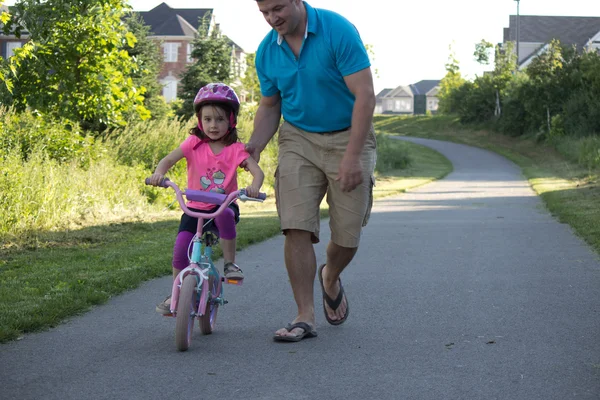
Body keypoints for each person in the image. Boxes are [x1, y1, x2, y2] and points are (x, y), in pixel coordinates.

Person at [246, 0, 377, 341]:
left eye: (278, 8)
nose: (272, 18)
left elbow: (364, 95)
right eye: (264, 12)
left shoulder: (337, 31)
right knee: (295, 225)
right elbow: (270, 105)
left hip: (349, 134)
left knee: (347, 235)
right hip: (298, 139)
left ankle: (330, 275)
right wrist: (255, 146)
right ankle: (304, 315)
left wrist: (351, 155)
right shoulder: (267, 51)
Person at [148, 82, 265, 315]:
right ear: (200, 120)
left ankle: (230, 263)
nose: (213, 125)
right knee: (181, 249)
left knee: (224, 215)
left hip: (223, 206)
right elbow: (168, 160)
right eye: (208, 119)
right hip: (194, 207)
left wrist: (253, 187)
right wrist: (159, 174)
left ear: (231, 121)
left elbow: (257, 172)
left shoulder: (236, 149)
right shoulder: (193, 144)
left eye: (220, 119)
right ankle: (177, 292)